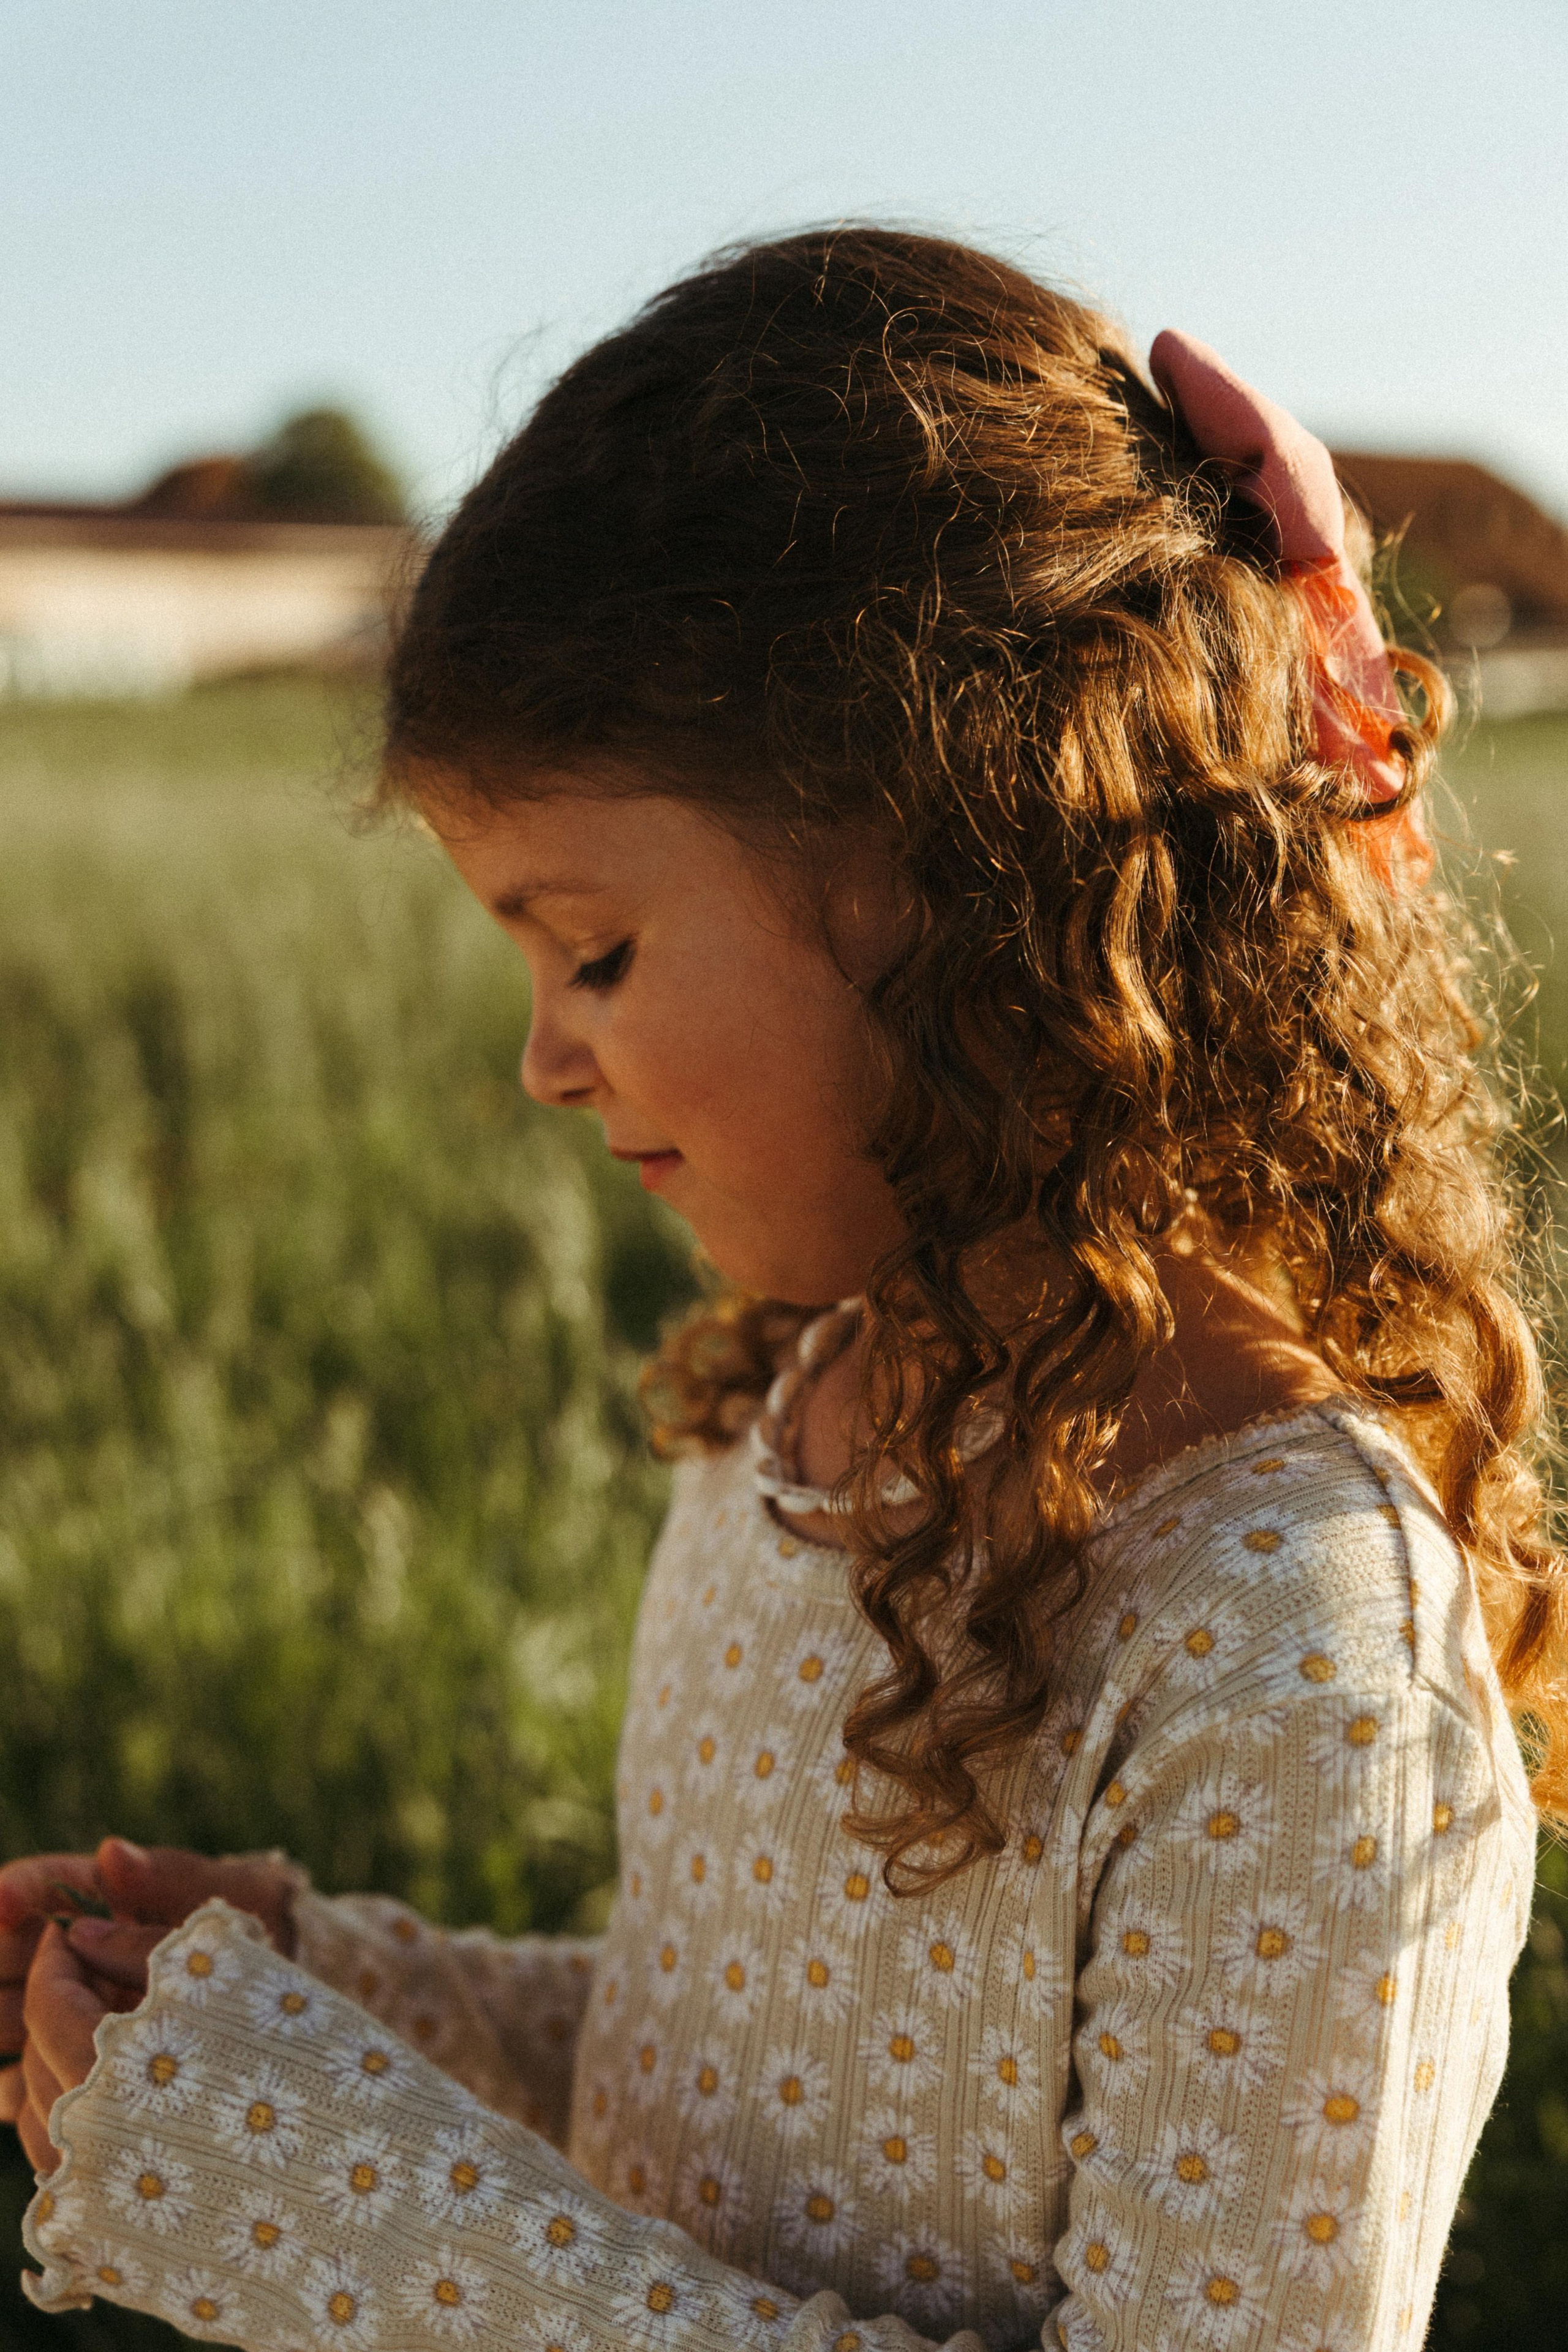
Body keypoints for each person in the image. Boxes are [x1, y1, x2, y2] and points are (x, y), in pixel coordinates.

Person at [1, 228, 1561, 2352]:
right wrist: (344, 2000)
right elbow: (724, 2107)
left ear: (958, 867)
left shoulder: (1295, 1649)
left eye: (598, 949)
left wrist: (319, 2205)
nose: (547, 1056)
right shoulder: (805, 1413)